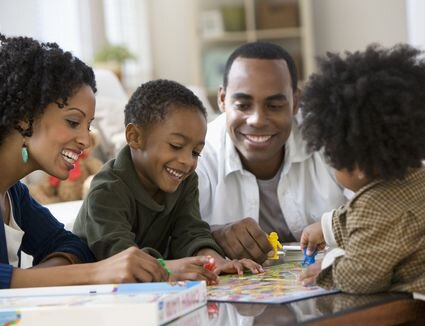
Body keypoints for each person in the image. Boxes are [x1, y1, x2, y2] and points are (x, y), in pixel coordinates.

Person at [0, 34, 171, 289]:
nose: (85, 139)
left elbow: (73, 247)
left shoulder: (13, 195)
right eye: (72, 122)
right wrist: (93, 274)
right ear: (25, 117)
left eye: (88, 125)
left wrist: (35, 282)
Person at [73, 79, 263, 284]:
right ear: (135, 137)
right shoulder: (107, 190)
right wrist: (169, 267)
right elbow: (120, 256)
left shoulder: (185, 181)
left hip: (150, 293)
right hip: (96, 296)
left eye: (195, 152)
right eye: (176, 145)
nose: (187, 161)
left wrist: (213, 261)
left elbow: (190, 232)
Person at [196, 41, 347, 263]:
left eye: (274, 106)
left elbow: (385, 204)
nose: (257, 120)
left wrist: (335, 226)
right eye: (243, 105)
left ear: (295, 102)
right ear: (222, 99)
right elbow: (170, 235)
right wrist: (214, 235)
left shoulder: (330, 137)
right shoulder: (198, 153)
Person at [299, 44, 425, 294]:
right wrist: (327, 227)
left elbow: (360, 278)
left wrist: (330, 263)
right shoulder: (417, 176)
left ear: (356, 167)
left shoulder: (372, 209)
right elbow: (373, 218)